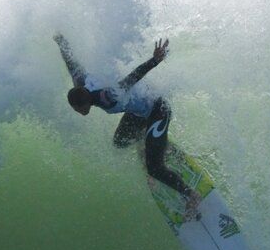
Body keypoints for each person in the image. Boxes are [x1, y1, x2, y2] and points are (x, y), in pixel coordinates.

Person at [54, 33, 201, 219]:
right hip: (138, 112)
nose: (78, 113)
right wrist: (61, 42)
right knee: (120, 142)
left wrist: (155, 60)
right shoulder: (82, 85)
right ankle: (151, 144)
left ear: (83, 105)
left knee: (154, 169)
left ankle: (191, 195)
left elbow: (132, 78)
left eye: (77, 110)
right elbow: (72, 65)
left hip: (157, 110)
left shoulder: (107, 98)